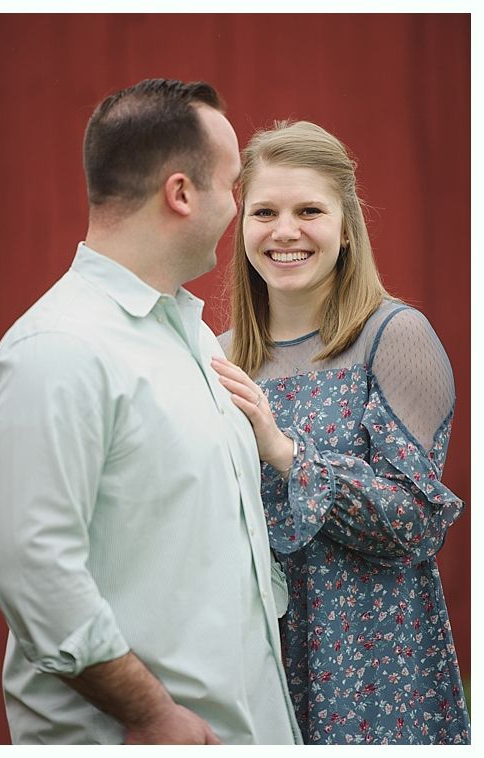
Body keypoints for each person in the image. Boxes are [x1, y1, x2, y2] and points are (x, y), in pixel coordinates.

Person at [0, 78, 301, 745]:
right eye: (232, 185)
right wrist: (149, 713)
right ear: (182, 193)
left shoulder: (188, 338)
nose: (238, 208)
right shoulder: (61, 348)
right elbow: (33, 567)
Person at [213, 120, 469, 744]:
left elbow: (415, 520)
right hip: (257, 652)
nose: (285, 231)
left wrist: (285, 452)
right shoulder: (220, 357)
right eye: (265, 211)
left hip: (372, 656)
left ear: (347, 227)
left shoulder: (394, 337)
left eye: (310, 210)